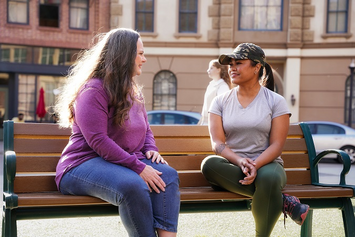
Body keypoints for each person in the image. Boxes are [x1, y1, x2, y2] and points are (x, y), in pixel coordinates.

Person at [54, 28, 180, 237]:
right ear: (124, 56)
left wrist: (150, 148)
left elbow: (145, 127)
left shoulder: (131, 89)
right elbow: (98, 141)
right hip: (82, 164)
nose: (144, 59)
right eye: (140, 54)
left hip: (119, 162)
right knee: (133, 185)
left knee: (167, 175)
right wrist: (138, 167)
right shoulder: (93, 90)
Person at [200, 43, 309, 237]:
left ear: (257, 66)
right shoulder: (220, 101)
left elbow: (276, 145)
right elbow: (217, 143)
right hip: (232, 167)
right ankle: (283, 201)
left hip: (268, 165)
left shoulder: (276, 101)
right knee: (209, 164)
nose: (232, 68)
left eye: (239, 63)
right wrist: (241, 161)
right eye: (230, 64)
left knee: (269, 178)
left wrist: (255, 164)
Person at [198, 59, 232, 125]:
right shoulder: (211, 85)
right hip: (206, 123)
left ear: (218, 70)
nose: (208, 70)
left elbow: (223, 108)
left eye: (211, 68)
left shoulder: (223, 87)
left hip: (214, 124)